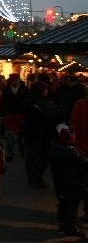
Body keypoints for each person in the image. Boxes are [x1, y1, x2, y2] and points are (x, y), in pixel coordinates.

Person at [50, 124, 88, 237]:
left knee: (62, 205)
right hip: (73, 187)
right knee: (72, 208)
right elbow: (85, 165)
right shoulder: (76, 155)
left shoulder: (55, 152)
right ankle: (70, 228)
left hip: (60, 185)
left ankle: (62, 225)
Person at [23, 80, 58, 189]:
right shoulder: (45, 103)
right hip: (43, 133)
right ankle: (37, 177)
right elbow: (49, 119)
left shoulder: (27, 101)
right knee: (43, 157)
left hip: (30, 132)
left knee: (31, 156)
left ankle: (32, 178)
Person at [0, 74, 28, 162]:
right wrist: (2, 115)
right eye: (13, 80)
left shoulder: (24, 89)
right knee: (10, 135)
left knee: (21, 135)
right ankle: (10, 153)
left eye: (16, 80)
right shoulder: (6, 90)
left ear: (19, 80)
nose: (14, 82)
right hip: (10, 114)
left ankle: (21, 150)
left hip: (21, 114)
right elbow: (3, 102)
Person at [70, 88, 88, 221]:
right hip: (82, 147)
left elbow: (73, 125)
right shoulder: (80, 104)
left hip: (82, 148)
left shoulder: (81, 103)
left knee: (81, 181)